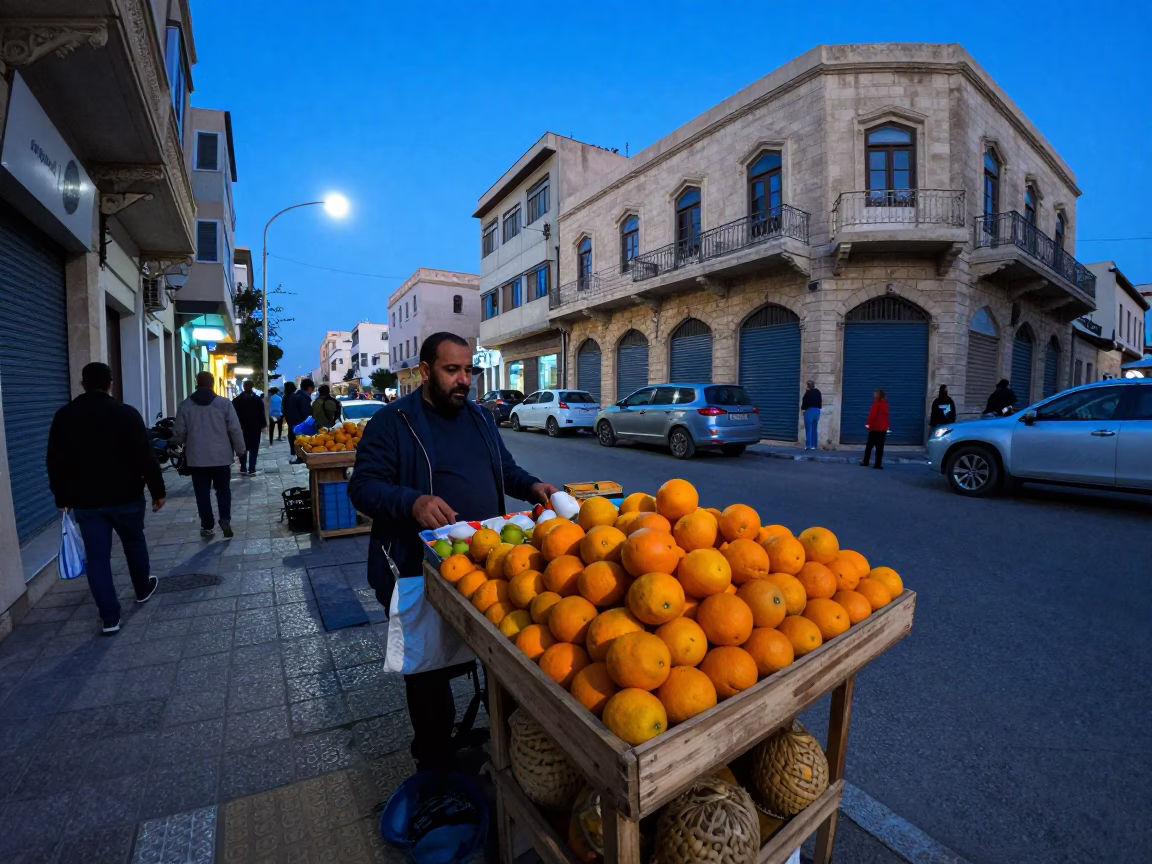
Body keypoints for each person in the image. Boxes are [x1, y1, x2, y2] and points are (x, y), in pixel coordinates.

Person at [349, 332, 557, 771]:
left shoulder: (480, 418)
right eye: (452, 370)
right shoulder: (393, 422)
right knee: (428, 672)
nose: (464, 380)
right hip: (418, 569)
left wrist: (534, 486)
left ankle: (506, 746)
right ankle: (434, 762)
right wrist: (413, 502)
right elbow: (363, 488)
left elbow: (506, 471)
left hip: (485, 565)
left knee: (499, 659)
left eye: (470, 370)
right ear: (425, 372)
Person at [46, 362, 165, 634]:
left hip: (87, 502)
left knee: (97, 559)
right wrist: (157, 490)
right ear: (110, 382)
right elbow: (145, 456)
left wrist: (61, 496)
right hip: (126, 496)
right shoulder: (125, 414)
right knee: (134, 543)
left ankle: (110, 618)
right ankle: (142, 588)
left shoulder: (65, 416)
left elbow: (55, 460)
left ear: (83, 384)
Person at [173, 371, 246, 538]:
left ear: (196, 383)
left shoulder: (185, 405)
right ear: (213, 384)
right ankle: (225, 519)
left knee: (202, 493)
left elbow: (179, 432)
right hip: (221, 457)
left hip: (197, 459)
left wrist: (177, 442)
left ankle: (207, 526)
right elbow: (235, 429)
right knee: (223, 490)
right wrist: (241, 450)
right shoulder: (224, 404)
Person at [232, 380, 267, 476]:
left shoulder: (237, 400)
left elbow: (233, 414)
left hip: (241, 427)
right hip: (255, 427)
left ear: (243, 387)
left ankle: (243, 467)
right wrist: (263, 424)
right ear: (252, 386)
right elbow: (261, 412)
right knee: (254, 448)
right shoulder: (257, 399)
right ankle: (252, 468)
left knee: (242, 447)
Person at [285, 379, 314, 464]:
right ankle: (301, 457)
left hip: (293, 424)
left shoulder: (294, 396)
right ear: (309, 388)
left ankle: (299, 457)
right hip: (300, 425)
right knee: (301, 442)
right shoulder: (303, 398)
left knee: (296, 442)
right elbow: (306, 414)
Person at [860, 389, 890, 470]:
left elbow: (873, 415)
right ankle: (878, 464)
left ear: (878, 395)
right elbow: (887, 416)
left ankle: (866, 461)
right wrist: (887, 426)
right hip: (883, 428)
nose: (874, 395)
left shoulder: (876, 404)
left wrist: (868, 424)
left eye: (875, 394)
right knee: (880, 447)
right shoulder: (885, 404)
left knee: (869, 445)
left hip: (875, 428)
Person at [800, 380, 822, 450]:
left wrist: (803, 409)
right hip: (817, 411)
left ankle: (808, 446)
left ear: (808, 385)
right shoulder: (818, 392)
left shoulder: (808, 392)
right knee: (814, 429)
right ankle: (814, 446)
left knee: (808, 429)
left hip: (810, 411)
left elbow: (805, 401)